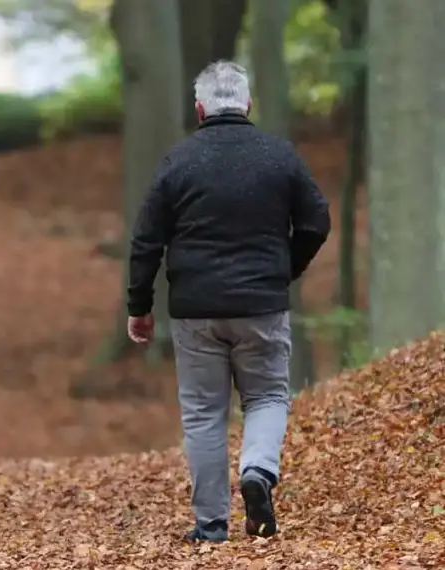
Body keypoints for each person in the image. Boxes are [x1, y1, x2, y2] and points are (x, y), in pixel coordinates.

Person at [125, 61, 331, 543]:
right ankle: (258, 470)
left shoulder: (178, 161)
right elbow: (316, 221)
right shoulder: (279, 156)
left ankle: (211, 524)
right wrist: (285, 269)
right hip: (262, 304)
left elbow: (145, 240)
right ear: (248, 104)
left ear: (199, 109)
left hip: (196, 310)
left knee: (203, 413)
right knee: (266, 396)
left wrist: (139, 306)